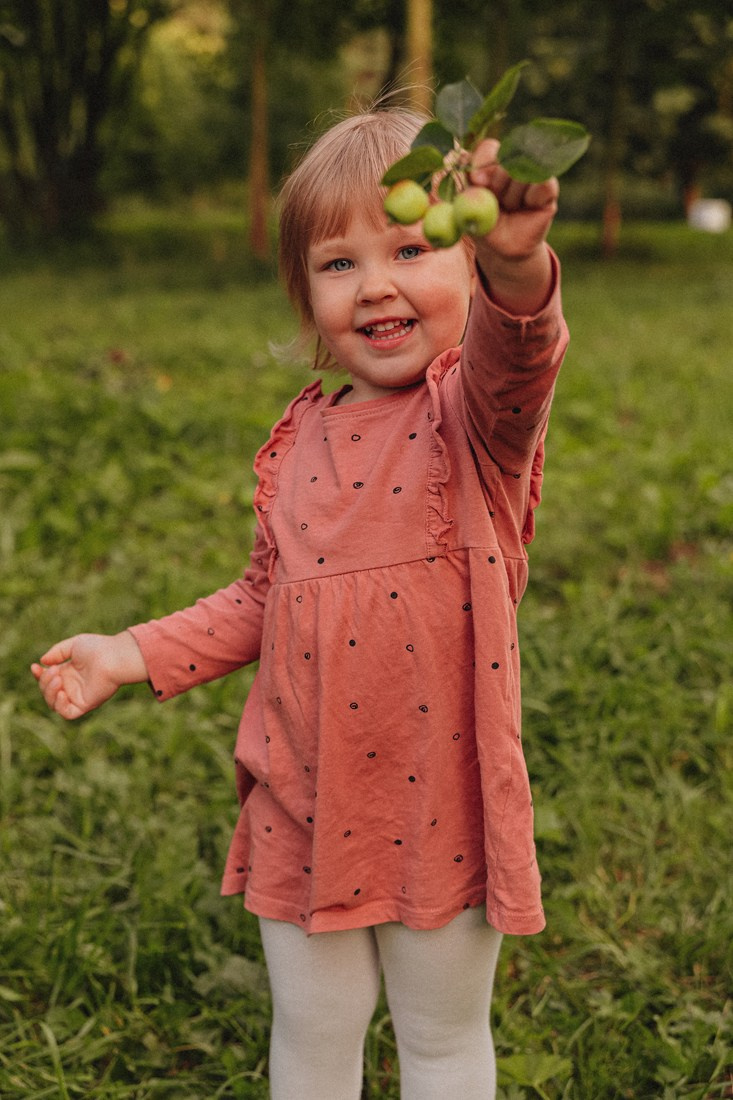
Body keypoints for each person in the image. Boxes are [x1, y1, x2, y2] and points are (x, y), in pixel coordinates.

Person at [32, 104, 568, 1099]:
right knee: (310, 1034)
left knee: (442, 1041)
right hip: (301, 798)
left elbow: (523, 353)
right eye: (336, 263)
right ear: (303, 291)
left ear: (463, 259)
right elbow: (263, 597)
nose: (375, 285)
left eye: (410, 246)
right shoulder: (298, 442)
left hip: (437, 799)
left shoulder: (473, 422)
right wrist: (127, 650)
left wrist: (516, 266)